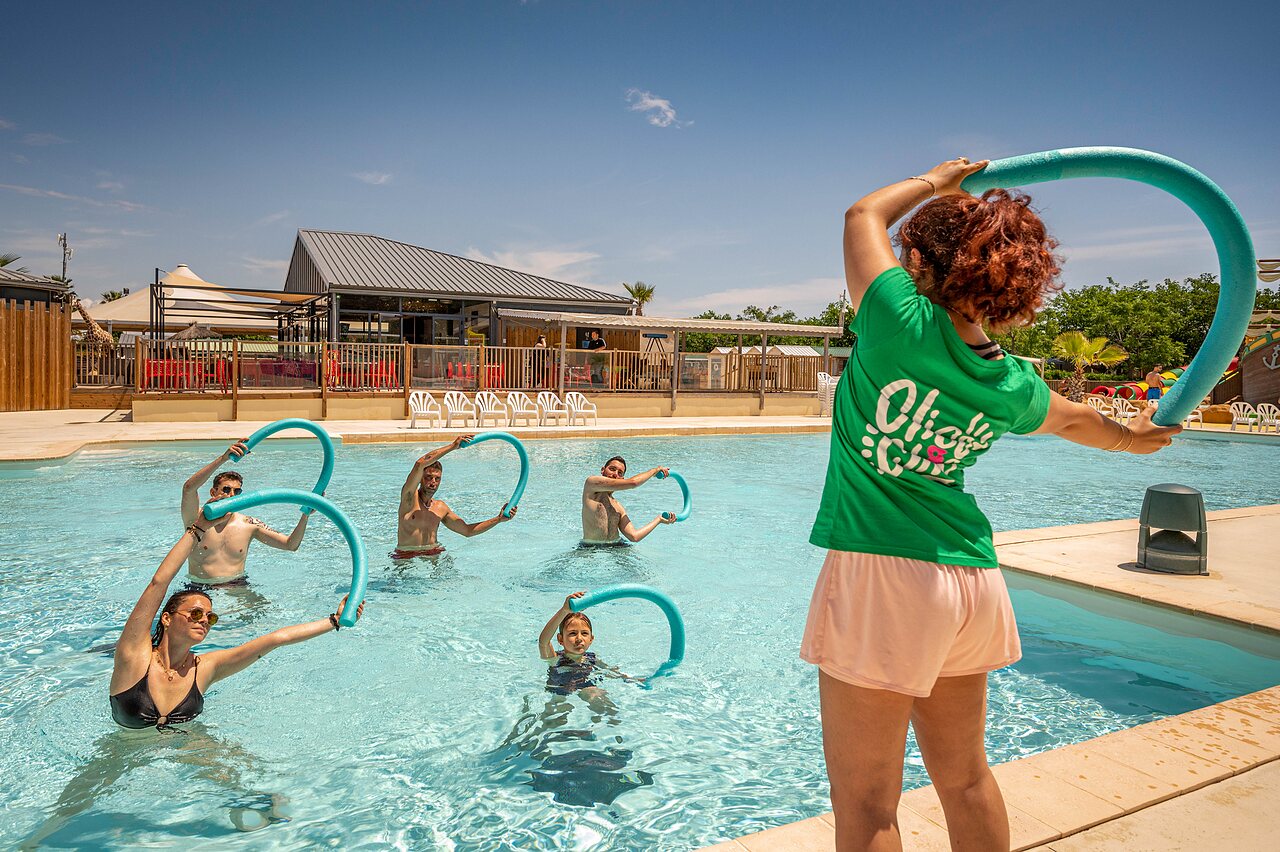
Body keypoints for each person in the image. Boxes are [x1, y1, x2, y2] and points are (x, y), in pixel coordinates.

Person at [803, 157, 1181, 851]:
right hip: (972, 580)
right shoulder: (1010, 382)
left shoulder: (898, 324)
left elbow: (861, 215)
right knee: (967, 781)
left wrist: (936, 179)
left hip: (885, 573)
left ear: (917, 264)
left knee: (867, 807)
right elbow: (1074, 420)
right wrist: (1134, 441)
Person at [110, 523, 363, 731]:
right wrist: (196, 530)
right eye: (196, 613)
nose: (203, 620)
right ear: (166, 618)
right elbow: (158, 583)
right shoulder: (134, 656)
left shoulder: (206, 668)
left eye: (210, 617)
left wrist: (334, 621)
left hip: (188, 751)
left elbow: (276, 639)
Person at [180, 440, 310, 586]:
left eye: (237, 491)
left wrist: (305, 515)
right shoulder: (196, 520)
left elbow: (290, 545)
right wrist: (223, 459)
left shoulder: (249, 525)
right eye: (226, 489)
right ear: (213, 492)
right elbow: (188, 489)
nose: (231, 495)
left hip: (238, 587)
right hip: (201, 588)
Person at [395, 436, 516, 558]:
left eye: (437, 479)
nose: (433, 482)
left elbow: (468, 531)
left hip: (432, 553)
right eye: (428, 477)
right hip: (406, 555)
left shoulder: (440, 508)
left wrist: (498, 519)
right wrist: (453, 446)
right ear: (420, 479)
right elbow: (419, 464)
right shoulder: (409, 498)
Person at [538, 591, 642, 697]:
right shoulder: (555, 658)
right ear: (560, 639)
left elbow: (611, 672)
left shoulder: (591, 659)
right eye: (572, 633)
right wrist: (564, 611)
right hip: (559, 692)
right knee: (561, 707)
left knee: (595, 694)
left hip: (586, 688)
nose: (579, 638)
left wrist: (631, 680)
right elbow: (543, 641)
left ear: (591, 639)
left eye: (584, 633)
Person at [580, 456, 675, 545]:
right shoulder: (591, 484)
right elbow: (633, 483)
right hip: (591, 548)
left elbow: (634, 536)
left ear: (622, 479)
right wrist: (654, 470)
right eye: (612, 469)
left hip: (617, 546)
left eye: (620, 473)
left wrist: (658, 520)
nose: (615, 474)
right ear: (603, 470)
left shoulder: (618, 507)